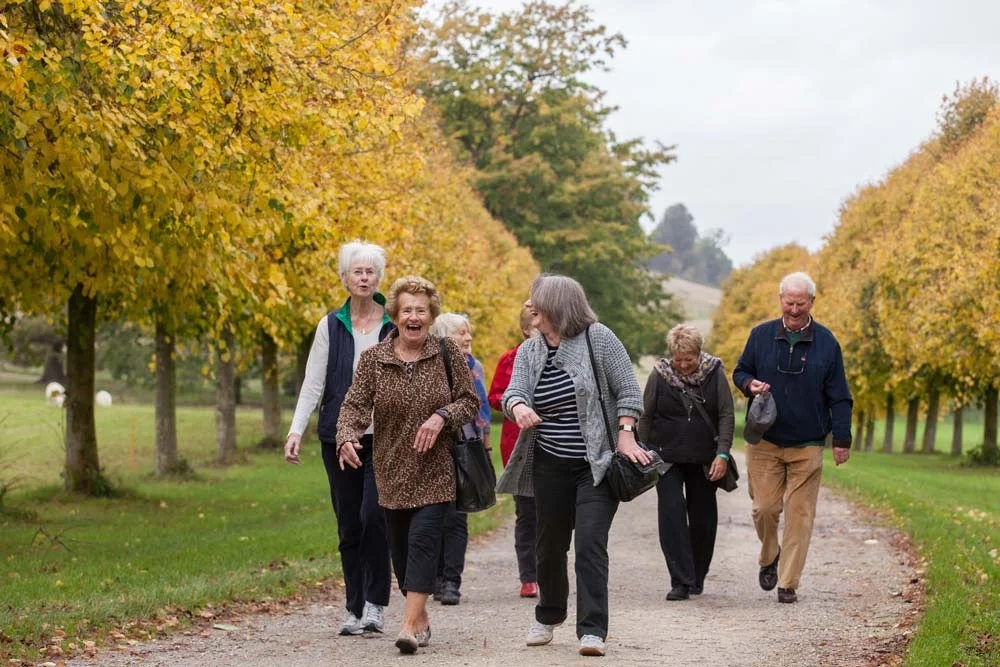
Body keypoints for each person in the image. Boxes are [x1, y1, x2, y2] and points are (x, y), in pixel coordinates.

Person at [497, 274, 650, 658]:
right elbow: (513, 391)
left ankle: (593, 629)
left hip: (595, 465)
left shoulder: (599, 339)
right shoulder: (530, 350)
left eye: (537, 302)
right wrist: (518, 407)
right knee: (549, 545)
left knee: (589, 544)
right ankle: (548, 615)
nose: (530, 308)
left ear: (557, 308)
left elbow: (629, 391)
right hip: (549, 462)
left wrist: (626, 434)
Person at [336, 276, 479, 654]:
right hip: (391, 470)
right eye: (406, 310)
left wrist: (441, 416)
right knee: (400, 553)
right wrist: (347, 437)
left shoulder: (447, 353)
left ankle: (407, 627)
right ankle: (421, 617)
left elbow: (469, 401)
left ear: (430, 316)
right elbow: (353, 406)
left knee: (422, 543)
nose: (413, 316)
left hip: (436, 471)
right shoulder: (374, 360)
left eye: (421, 310)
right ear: (396, 317)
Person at [283, 241, 393, 636]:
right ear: (344, 278)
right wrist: (296, 429)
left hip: (383, 437)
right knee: (349, 524)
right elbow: (313, 382)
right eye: (357, 272)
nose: (364, 278)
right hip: (337, 438)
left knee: (374, 517)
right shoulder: (331, 325)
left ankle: (376, 603)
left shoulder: (393, 324)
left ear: (379, 278)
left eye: (370, 272)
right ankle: (354, 606)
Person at [732, 271, 853, 604]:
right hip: (765, 442)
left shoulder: (827, 344)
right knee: (764, 509)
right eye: (789, 302)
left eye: (801, 303)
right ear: (780, 300)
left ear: (812, 302)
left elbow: (840, 396)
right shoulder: (760, 336)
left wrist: (841, 439)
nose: (794, 309)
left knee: (799, 515)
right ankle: (769, 555)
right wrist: (749, 385)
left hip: (808, 444)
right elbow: (740, 371)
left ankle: (788, 582)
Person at [637, 324, 734, 601]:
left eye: (688, 359)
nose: (683, 365)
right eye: (678, 359)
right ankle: (680, 580)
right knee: (671, 512)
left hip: (704, 457)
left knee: (702, 517)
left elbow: (726, 415)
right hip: (665, 457)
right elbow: (646, 416)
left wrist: (723, 453)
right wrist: (642, 452)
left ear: (698, 353)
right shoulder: (660, 375)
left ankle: (697, 575)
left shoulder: (714, 372)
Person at [428, 312, 492, 606]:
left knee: (456, 516)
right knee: (432, 516)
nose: (468, 338)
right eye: (461, 333)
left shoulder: (474, 366)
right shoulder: (429, 365)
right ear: (443, 337)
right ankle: (435, 578)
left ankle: (451, 581)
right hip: (431, 448)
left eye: (468, 333)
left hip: (464, 447)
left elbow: (483, 412)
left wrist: (486, 451)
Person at [488, 305, 539, 599]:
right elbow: (494, 395)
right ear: (524, 331)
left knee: (552, 513)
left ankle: (548, 568)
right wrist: (514, 403)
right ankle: (528, 576)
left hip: (552, 443)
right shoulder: (510, 359)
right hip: (518, 446)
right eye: (534, 331)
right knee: (527, 513)